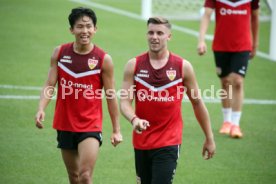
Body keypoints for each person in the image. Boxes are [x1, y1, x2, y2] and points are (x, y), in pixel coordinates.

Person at [120, 17, 216, 184]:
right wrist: (134, 119)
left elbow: (197, 103)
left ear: (169, 36)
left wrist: (209, 137)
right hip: (142, 141)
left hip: (169, 141)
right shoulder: (133, 65)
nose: (154, 37)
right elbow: (125, 102)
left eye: (160, 33)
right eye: (151, 32)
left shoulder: (182, 66)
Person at [34, 7, 122, 184]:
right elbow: (50, 84)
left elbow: (111, 95)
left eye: (89, 26)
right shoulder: (59, 53)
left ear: (95, 29)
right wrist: (41, 108)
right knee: (73, 177)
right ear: (71, 30)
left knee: (85, 175)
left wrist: (116, 129)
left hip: (90, 124)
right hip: (64, 123)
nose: (85, 31)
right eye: (80, 27)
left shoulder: (103, 59)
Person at [197, 0, 259, 138]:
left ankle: (236, 124)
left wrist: (255, 43)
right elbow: (207, 14)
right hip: (221, 45)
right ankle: (227, 121)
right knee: (225, 82)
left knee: (237, 81)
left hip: (243, 46)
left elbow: (255, 17)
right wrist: (201, 40)